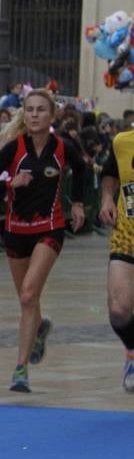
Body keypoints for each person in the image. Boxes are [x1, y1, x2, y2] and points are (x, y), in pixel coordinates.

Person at [0, 87, 87, 393]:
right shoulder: (13, 149)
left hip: (49, 228)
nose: (34, 115)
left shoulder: (62, 147)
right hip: (15, 231)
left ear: (52, 115)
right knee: (26, 300)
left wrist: (78, 203)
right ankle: (40, 328)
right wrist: (9, 184)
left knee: (30, 294)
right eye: (29, 110)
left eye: (41, 110)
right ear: (24, 114)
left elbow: (81, 167)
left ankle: (20, 369)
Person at [98, 125, 134, 391]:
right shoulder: (122, 141)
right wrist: (107, 198)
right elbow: (110, 174)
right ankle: (132, 351)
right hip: (127, 235)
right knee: (119, 312)